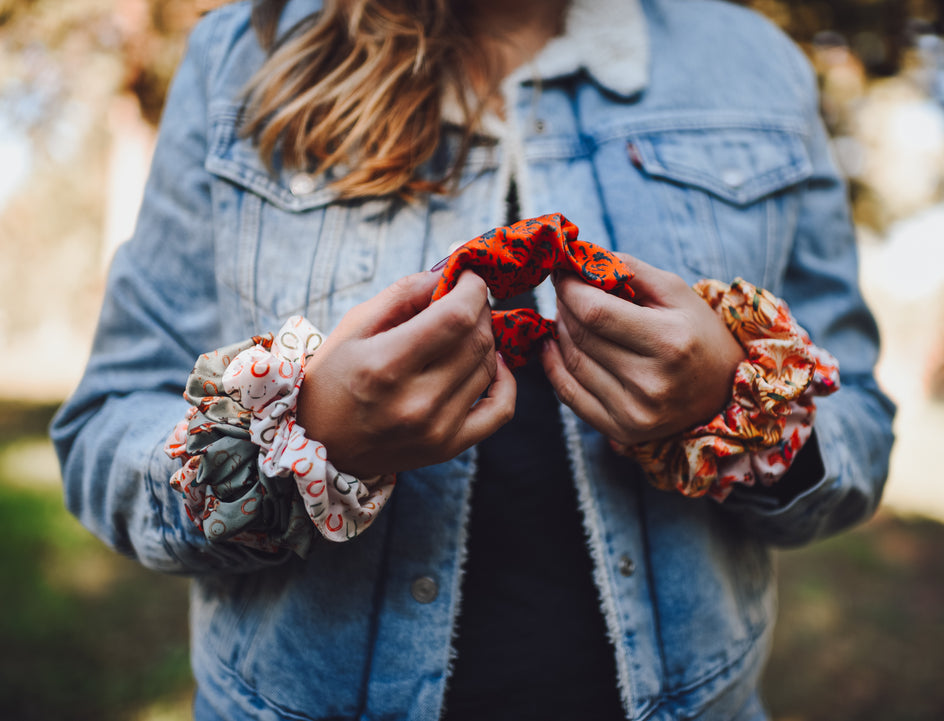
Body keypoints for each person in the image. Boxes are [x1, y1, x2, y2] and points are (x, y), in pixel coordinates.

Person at [51, 0, 896, 719]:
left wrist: (735, 398)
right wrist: (302, 442)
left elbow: (856, 420)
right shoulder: (242, 55)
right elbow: (105, 428)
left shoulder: (758, 68)